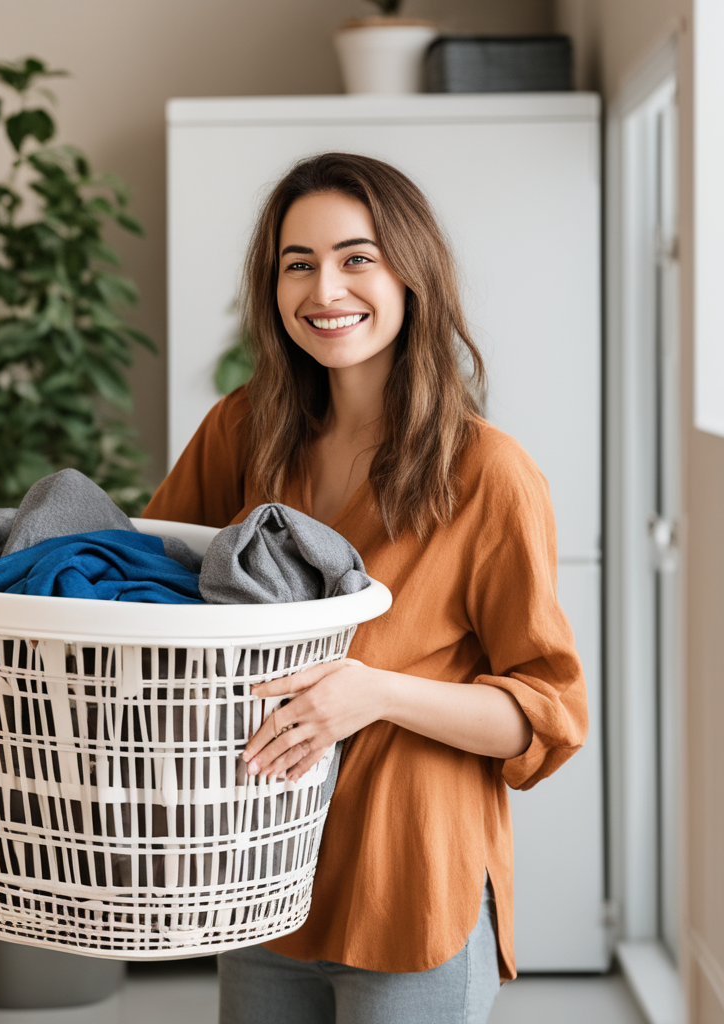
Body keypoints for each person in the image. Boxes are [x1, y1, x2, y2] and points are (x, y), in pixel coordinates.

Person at [141, 153, 588, 1024]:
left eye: (357, 257)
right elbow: (146, 573)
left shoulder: (489, 473)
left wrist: (374, 693)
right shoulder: (244, 429)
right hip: (262, 876)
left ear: (411, 272)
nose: (324, 288)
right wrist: (0, 540)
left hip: (414, 889)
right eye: (296, 263)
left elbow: (546, 717)